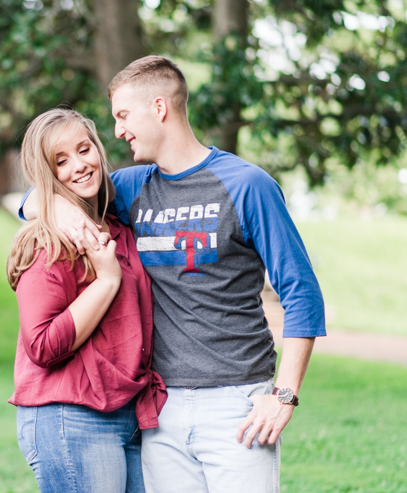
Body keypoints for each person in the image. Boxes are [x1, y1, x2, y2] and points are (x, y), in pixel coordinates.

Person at [20, 56, 325, 492]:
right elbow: (41, 191)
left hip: (237, 403)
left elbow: (302, 294)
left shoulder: (247, 185)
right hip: (159, 408)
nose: (119, 130)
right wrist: (57, 208)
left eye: (124, 116)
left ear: (159, 108)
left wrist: (284, 395)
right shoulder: (129, 187)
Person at [7, 108, 167, 493]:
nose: (79, 166)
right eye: (61, 161)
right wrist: (106, 280)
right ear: (46, 173)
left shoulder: (118, 227)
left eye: (84, 149)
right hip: (71, 415)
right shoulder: (48, 242)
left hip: (126, 413)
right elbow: (42, 345)